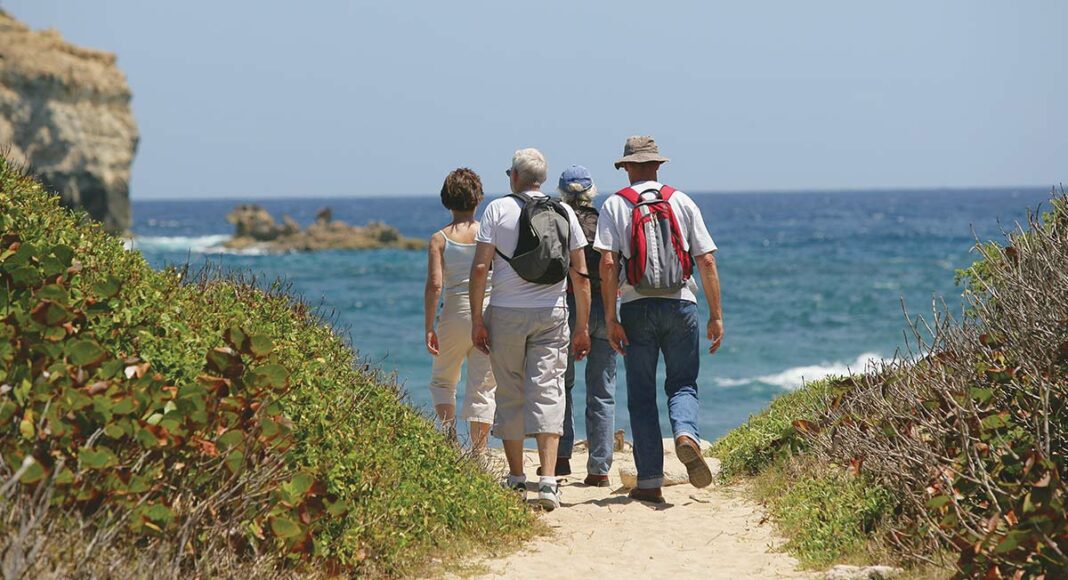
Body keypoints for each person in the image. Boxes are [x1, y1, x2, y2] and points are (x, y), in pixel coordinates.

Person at [594, 136, 724, 504]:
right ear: (658, 165)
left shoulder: (616, 204)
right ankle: (685, 434)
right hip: (681, 303)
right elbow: (707, 261)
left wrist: (611, 317)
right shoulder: (681, 201)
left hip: (636, 306)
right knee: (682, 383)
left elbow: (607, 264)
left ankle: (649, 481)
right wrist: (716, 315)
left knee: (641, 394)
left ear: (626, 167)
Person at [469, 148, 592, 511]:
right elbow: (581, 276)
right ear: (541, 179)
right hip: (553, 313)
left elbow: (480, 269)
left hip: (506, 312)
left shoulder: (497, 209)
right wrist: (582, 325)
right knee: (550, 391)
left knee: (510, 391)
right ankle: (550, 481)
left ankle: (517, 477)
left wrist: (477, 319)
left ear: (514, 177)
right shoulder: (565, 210)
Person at [554, 165, 618, 487]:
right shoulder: (605, 218)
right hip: (605, 308)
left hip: (569, 308)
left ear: (562, 193)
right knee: (602, 392)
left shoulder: (558, 220)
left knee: (561, 386)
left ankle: (561, 457)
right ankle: (599, 468)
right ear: (592, 191)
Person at [424, 168, 496, 452]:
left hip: (453, 312)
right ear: (478, 199)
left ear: (446, 200)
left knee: (443, 379)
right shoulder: (488, 233)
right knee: (483, 386)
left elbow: (435, 284)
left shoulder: (439, 239)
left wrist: (429, 326)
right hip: (487, 312)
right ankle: (479, 453)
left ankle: (449, 439)